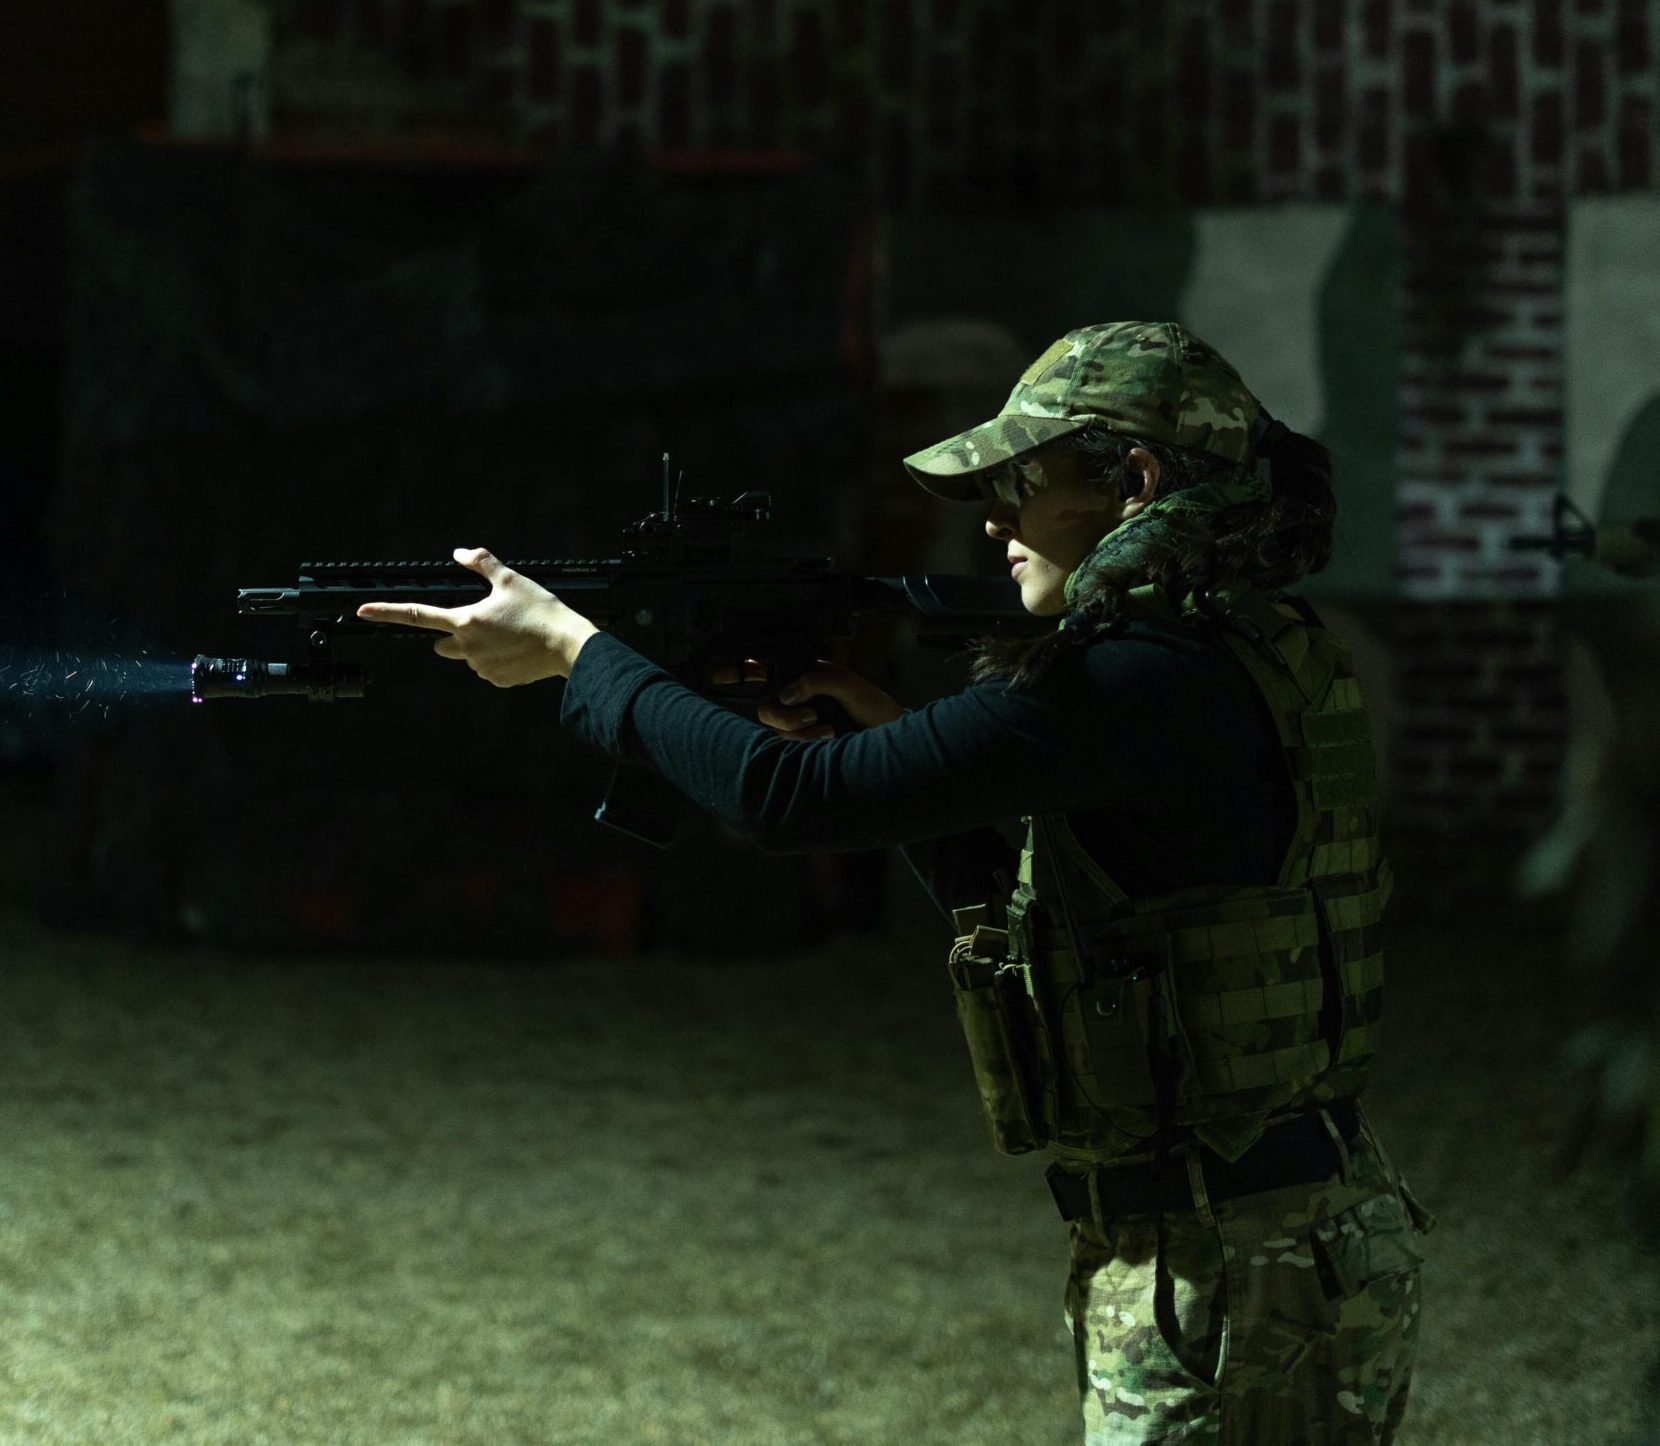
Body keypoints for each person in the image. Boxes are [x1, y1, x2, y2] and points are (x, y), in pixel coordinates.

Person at [359, 320, 1435, 1444]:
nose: (994, 519)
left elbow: (793, 800)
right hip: (1260, 1234)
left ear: (1137, 483)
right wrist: (889, 738)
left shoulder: (1130, 676)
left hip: (1233, 1261)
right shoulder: (1229, 649)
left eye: (1025, 479)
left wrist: (583, 655)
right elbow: (1061, 900)